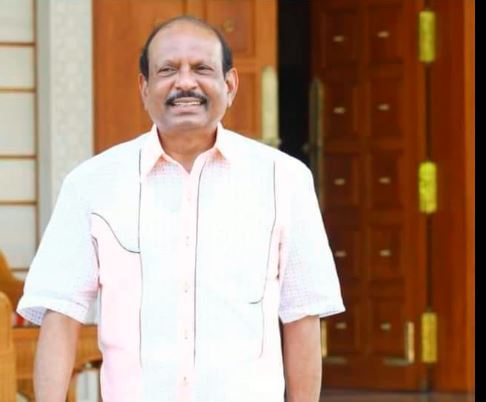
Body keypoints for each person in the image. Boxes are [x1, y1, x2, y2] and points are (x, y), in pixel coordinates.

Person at [17, 15, 344, 402]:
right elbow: (61, 313)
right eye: (168, 70)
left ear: (230, 85)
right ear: (144, 87)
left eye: (202, 68)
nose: (185, 82)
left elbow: (302, 314)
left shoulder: (284, 180)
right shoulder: (91, 184)